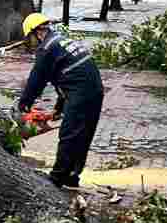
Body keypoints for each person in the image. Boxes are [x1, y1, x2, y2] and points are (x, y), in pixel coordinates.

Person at [16, 13, 105, 189]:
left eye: (29, 38)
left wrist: (24, 104)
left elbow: (36, 80)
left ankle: (56, 179)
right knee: (82, 136)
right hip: (94, 92)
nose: (30, 43)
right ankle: (72, 176)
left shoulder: (46, 48)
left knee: (69, 135)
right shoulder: (61, 40)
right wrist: (58, 109)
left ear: (36, 32)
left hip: (81, 94)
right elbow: (67, 80)